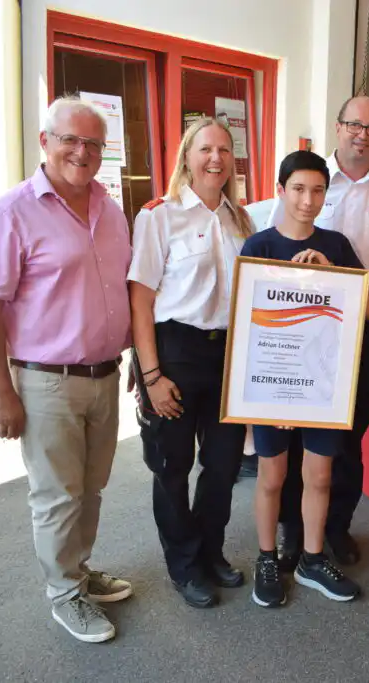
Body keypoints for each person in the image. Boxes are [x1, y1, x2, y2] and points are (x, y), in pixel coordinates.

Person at [0, 97, 133, 643]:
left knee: (91, 489)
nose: (81, 152)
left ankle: (78, 571)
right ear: (46, 142)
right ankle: (65, 594)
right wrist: (0, 390)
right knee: (57, 495)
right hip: (46, 382)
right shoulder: (10, 214)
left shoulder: (110, 210)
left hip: (105, 376)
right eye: (70, 140)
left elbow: (121, 292)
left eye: (93, 144)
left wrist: (137, 356)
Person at [243, 96, 369, 571]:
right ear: (339, 127)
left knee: (345, 440)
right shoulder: (306, 176)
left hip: (360, 334)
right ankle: (290, 531)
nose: (362, 134)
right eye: (354, 125)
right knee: (287, 447)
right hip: (293, 342)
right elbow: (262, 272)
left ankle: (333, 530)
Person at [241, 151, 369, 607]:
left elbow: (368, 310)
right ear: (280, 190)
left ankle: (312, 560)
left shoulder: (337, 245)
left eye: (317, 190)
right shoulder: (259, 246)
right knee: (272, 475)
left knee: (320, 475)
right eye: (298, 189)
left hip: (321, 386)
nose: (307, 200)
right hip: (273, 387)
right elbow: (246, 326)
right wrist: (270, 399)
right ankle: (266, 557)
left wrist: (333, 276)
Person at [127, 117, 252, 609]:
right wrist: (151, 376)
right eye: (205, 149)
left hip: (227, 354)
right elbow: (141, 302)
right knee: (172, 465)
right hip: (175, 352)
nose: (216, 158)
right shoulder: (160, 216)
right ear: (187, 156)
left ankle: (210, 551)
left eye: (224, 149)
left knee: (223, 466)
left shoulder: (241, 220)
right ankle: (183, 564)